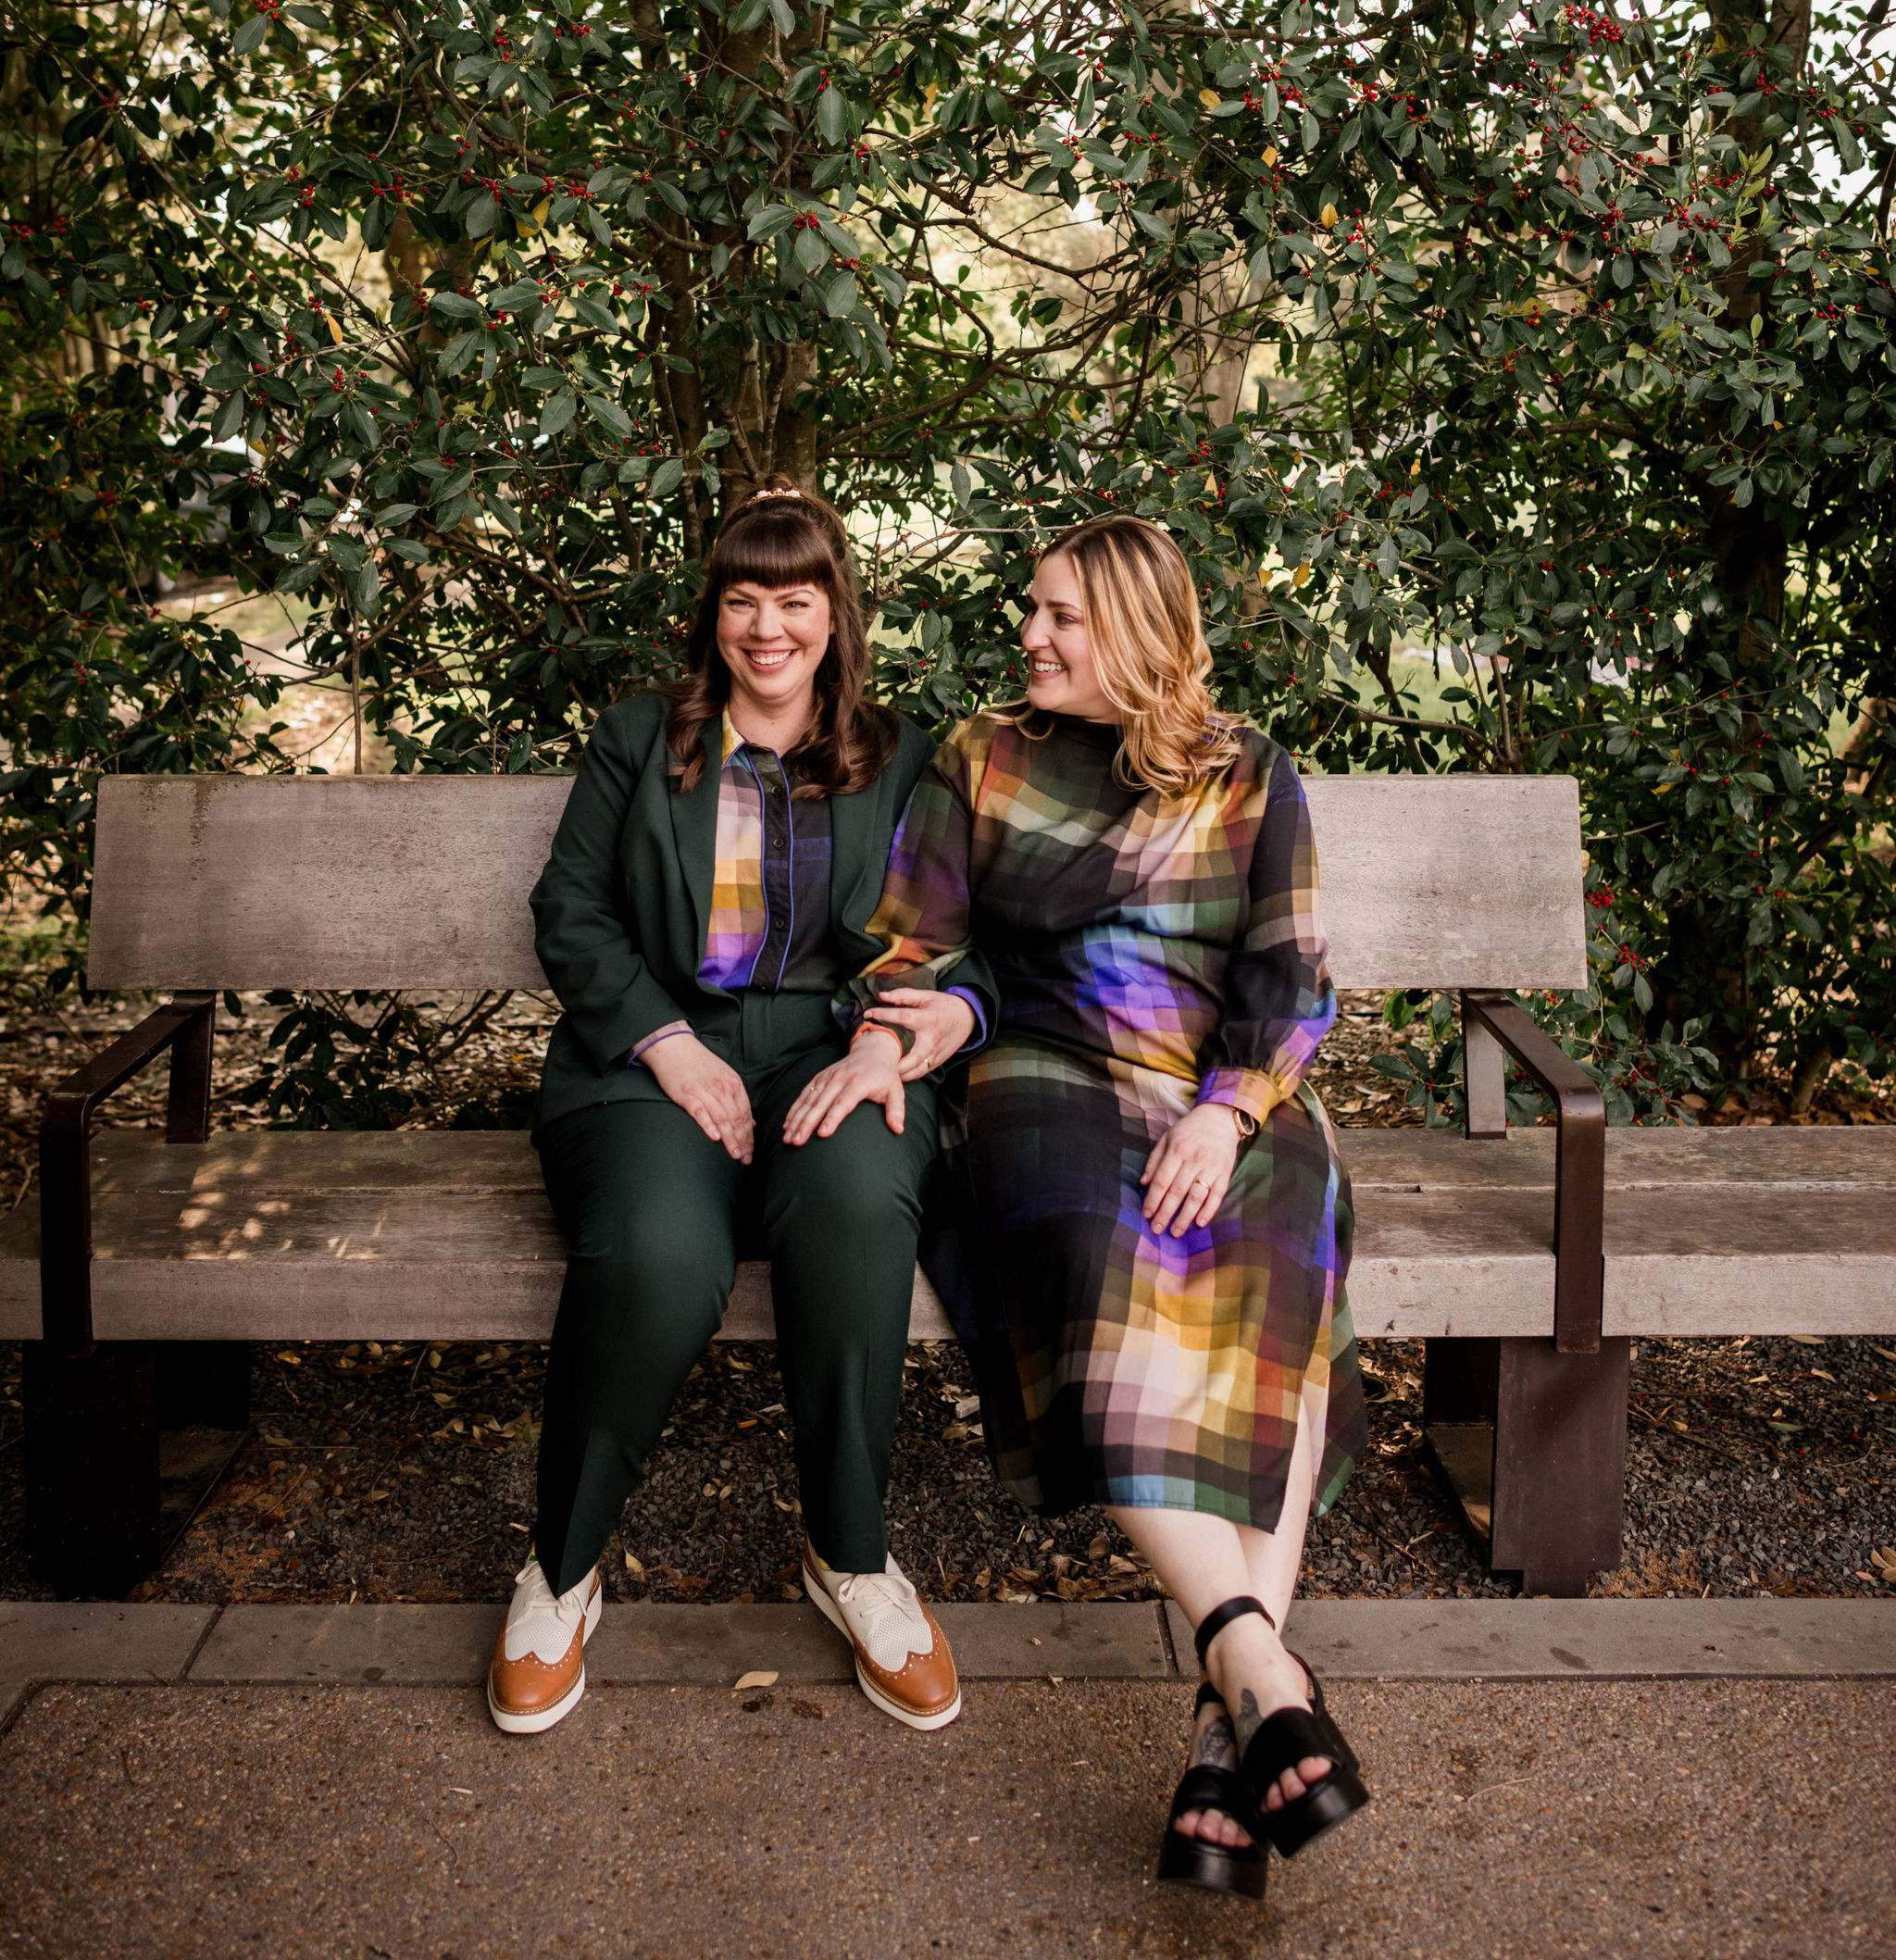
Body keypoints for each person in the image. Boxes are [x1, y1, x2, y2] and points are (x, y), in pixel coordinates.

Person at [846, 513, 1369, 1899]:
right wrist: (915, 1035)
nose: (1031, 634)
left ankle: (1230, 1726)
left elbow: (1290, 974)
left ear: (1138, 628)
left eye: (1062, 615)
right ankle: (1260, 1657)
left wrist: (1231, 1106)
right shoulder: (982, 758)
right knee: (1084, 1268)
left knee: (1282, 1267)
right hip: (1047, 1073)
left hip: (1218, 1081)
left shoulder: (1249, 771)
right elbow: (927, 946)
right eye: (1035, 610)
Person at [487, 480, 985, 1737]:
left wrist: (887, 1043)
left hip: (836, 1051)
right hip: (650, 1057)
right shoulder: (640, 739)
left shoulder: (906, 753)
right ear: (712, 613)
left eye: (797, 599)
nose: (769, 626)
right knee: (658, 1250)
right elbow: (571, 912)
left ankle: (854, 1559)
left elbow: (953, 935)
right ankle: (561, 1568)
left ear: (836, 615)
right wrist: (662, 1040)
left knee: (860, 1212)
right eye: (744, 598)